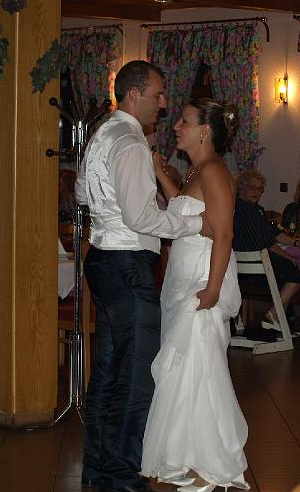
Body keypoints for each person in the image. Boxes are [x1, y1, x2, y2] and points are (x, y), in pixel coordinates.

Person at [75, 60, 210, 492]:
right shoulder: (131, 143)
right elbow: (141, 217)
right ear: (133, 94)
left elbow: (81, 193)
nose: (163, 103)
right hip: (127, 265)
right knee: (136, 377)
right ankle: (124, 477)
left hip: (102, 257)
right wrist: (194, 224)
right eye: (158, 94)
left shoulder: (102, 134)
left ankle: (98, 469)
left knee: (108, 372)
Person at [141, 98, 249, 492]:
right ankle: (186, 455)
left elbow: (224, 233)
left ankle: (209, 460)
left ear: (204, 130)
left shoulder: (215, 169)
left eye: (184, 122)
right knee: (184, 368)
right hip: (183, 276)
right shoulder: (197, 170)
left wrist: (213, 289)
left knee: (200, 368)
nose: (176, 127)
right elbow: (184, 214)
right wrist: (160, 174)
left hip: (202, 278)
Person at [233, 169, 300, 331]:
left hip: (245, 268)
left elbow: (274, 233)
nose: (257, 192)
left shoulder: (254, 209)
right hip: (251, 271)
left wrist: (297, 243)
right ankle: (273, 314)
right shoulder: (245, 210)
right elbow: (266, 243)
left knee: (287, 273)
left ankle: (279, 324)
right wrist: (288, 257)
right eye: (252, 188)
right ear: (242, 188)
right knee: (296, 273)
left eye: (260, 189)